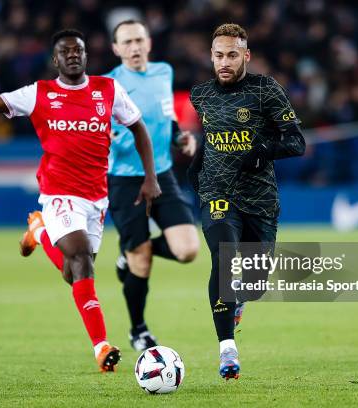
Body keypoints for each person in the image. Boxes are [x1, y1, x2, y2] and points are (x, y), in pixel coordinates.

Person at [0, 29, 161, 373]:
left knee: (74, 273)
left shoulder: (107, 90)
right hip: (59, 192)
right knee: (81, 259)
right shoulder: (40, 93)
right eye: (65, 52)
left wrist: (151, 177)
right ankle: (101, 347)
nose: (72, 56)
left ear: (86, 55)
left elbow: (139, 127)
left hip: (96, 197)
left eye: (78, 50)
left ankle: (38, 232)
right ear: (55, 59)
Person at [188, 23, 305, 379]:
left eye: (232, 55)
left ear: (246, 56)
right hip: (218, 195)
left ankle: (239, 298)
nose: (225, 62)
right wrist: (195, 171)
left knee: (254, 285)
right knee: (224, 258)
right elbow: (210, 139)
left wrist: (260, 152)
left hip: (260, 199)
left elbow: (296, 142)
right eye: (219, 55)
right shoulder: (201, 95)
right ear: (211, 56)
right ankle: (227, 350)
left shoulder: (265, 90)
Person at [105, 20, 200, 351]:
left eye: (138, 40)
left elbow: (167, 116)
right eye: (126, 42)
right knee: (141, 262)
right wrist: (109, 137)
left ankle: (129, 253)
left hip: (162, 174)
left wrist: (180, 138)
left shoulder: (164, 72)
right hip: (125, 179)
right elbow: (94, 130)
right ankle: (138, 329)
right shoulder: (107, 85)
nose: (133, 47)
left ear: (149, 43)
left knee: (188, 250)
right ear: (116, 49)